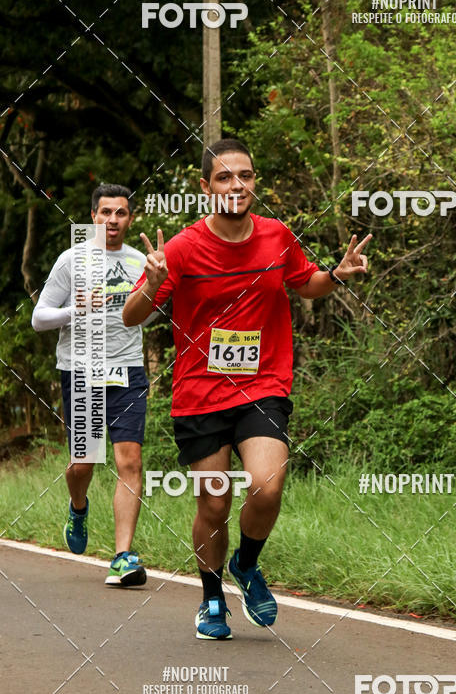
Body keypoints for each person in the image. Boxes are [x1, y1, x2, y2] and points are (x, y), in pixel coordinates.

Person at [123, 139, 371, 637]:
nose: (237, 184)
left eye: (246, 175)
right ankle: (212, 599)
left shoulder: (277, 236)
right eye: (224, 177)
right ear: (204, 187)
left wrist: (337, 276)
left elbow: (306, 284)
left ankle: (247, 563)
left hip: (262, 384)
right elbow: (132, 316)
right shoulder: (182, 248)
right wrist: (151, 282)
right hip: (199, 392)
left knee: (267, 483)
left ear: (254, 181)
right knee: (213, 502)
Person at [32, 184, 151, 586]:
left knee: (129, 461)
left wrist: (153, 290)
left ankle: (123, 556)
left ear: (130, 219)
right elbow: (38, 318)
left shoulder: (139, 263)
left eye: (120, 213)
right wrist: (75, 308)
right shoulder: (72, 260)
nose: (112, 220)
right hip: (81, 370)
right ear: (93, 217)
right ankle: (78, 505)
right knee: (84, 463)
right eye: (105, 213)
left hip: (128, 370)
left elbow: (147, 317)